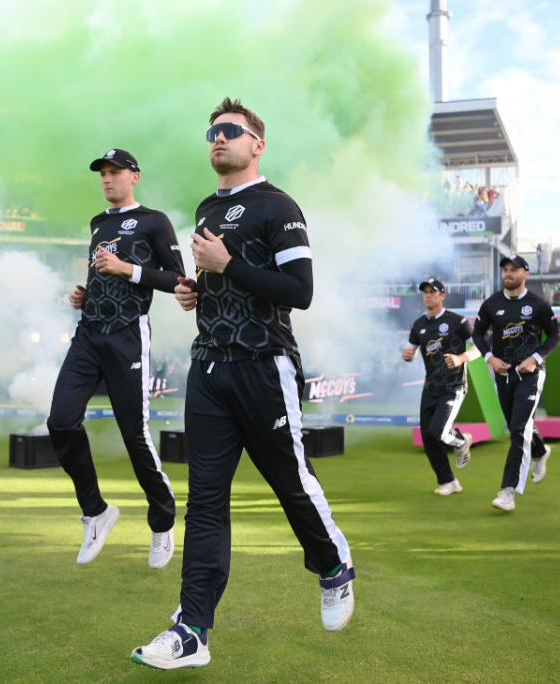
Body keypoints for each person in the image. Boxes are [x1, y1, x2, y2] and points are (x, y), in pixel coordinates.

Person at [131, 98, 354, 671]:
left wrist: (226, 266)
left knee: (289, 481)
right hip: (208, 368)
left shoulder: (279, 206)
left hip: (265, 366)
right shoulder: (207, 207)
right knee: (205, 500)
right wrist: (195, 291)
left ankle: (332, 566)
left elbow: (298, 290)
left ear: (257, 144)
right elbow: (219, 282)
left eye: (230, 131)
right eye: (212, 132)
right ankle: (192, 630)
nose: (218, 139)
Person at [46, 148, 184, 570]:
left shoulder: (154, 221)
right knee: (60, 421)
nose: (107, 180)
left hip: (128, 336)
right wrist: (85, 295)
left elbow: (177, 278)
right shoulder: (98, 224)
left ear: (134, 177)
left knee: (134, 435)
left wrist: (126, 269)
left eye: (115, 172)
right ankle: (96, 511)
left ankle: (162, 523)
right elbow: (99, 274)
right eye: (102, 174)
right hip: (88, 333)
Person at [472, 255, 560, 512]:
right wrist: (490, 358)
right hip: (504, 375)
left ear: (526, 274)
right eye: (505, 270)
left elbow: (555, 335)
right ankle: (540, 451)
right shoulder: (491, 304)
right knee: (517, 426)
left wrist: (535, 358)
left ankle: (507, 491)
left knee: (519, 429)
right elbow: (478, 334)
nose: (508, 274)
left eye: (514, 270)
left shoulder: (538, 305)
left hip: (531, 374)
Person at [403, 278, 479, 496]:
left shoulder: (457, 321)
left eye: (433, 292)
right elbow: (412, 350)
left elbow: (480, 347)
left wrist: (461, 358)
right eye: (425, 292)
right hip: (430, 387)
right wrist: (408, 355)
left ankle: (462, 442)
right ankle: (448, 482)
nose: (428, 295)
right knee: (428, 438)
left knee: (439, 432)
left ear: (442, 295)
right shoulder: (418, 325)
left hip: (453, 386)